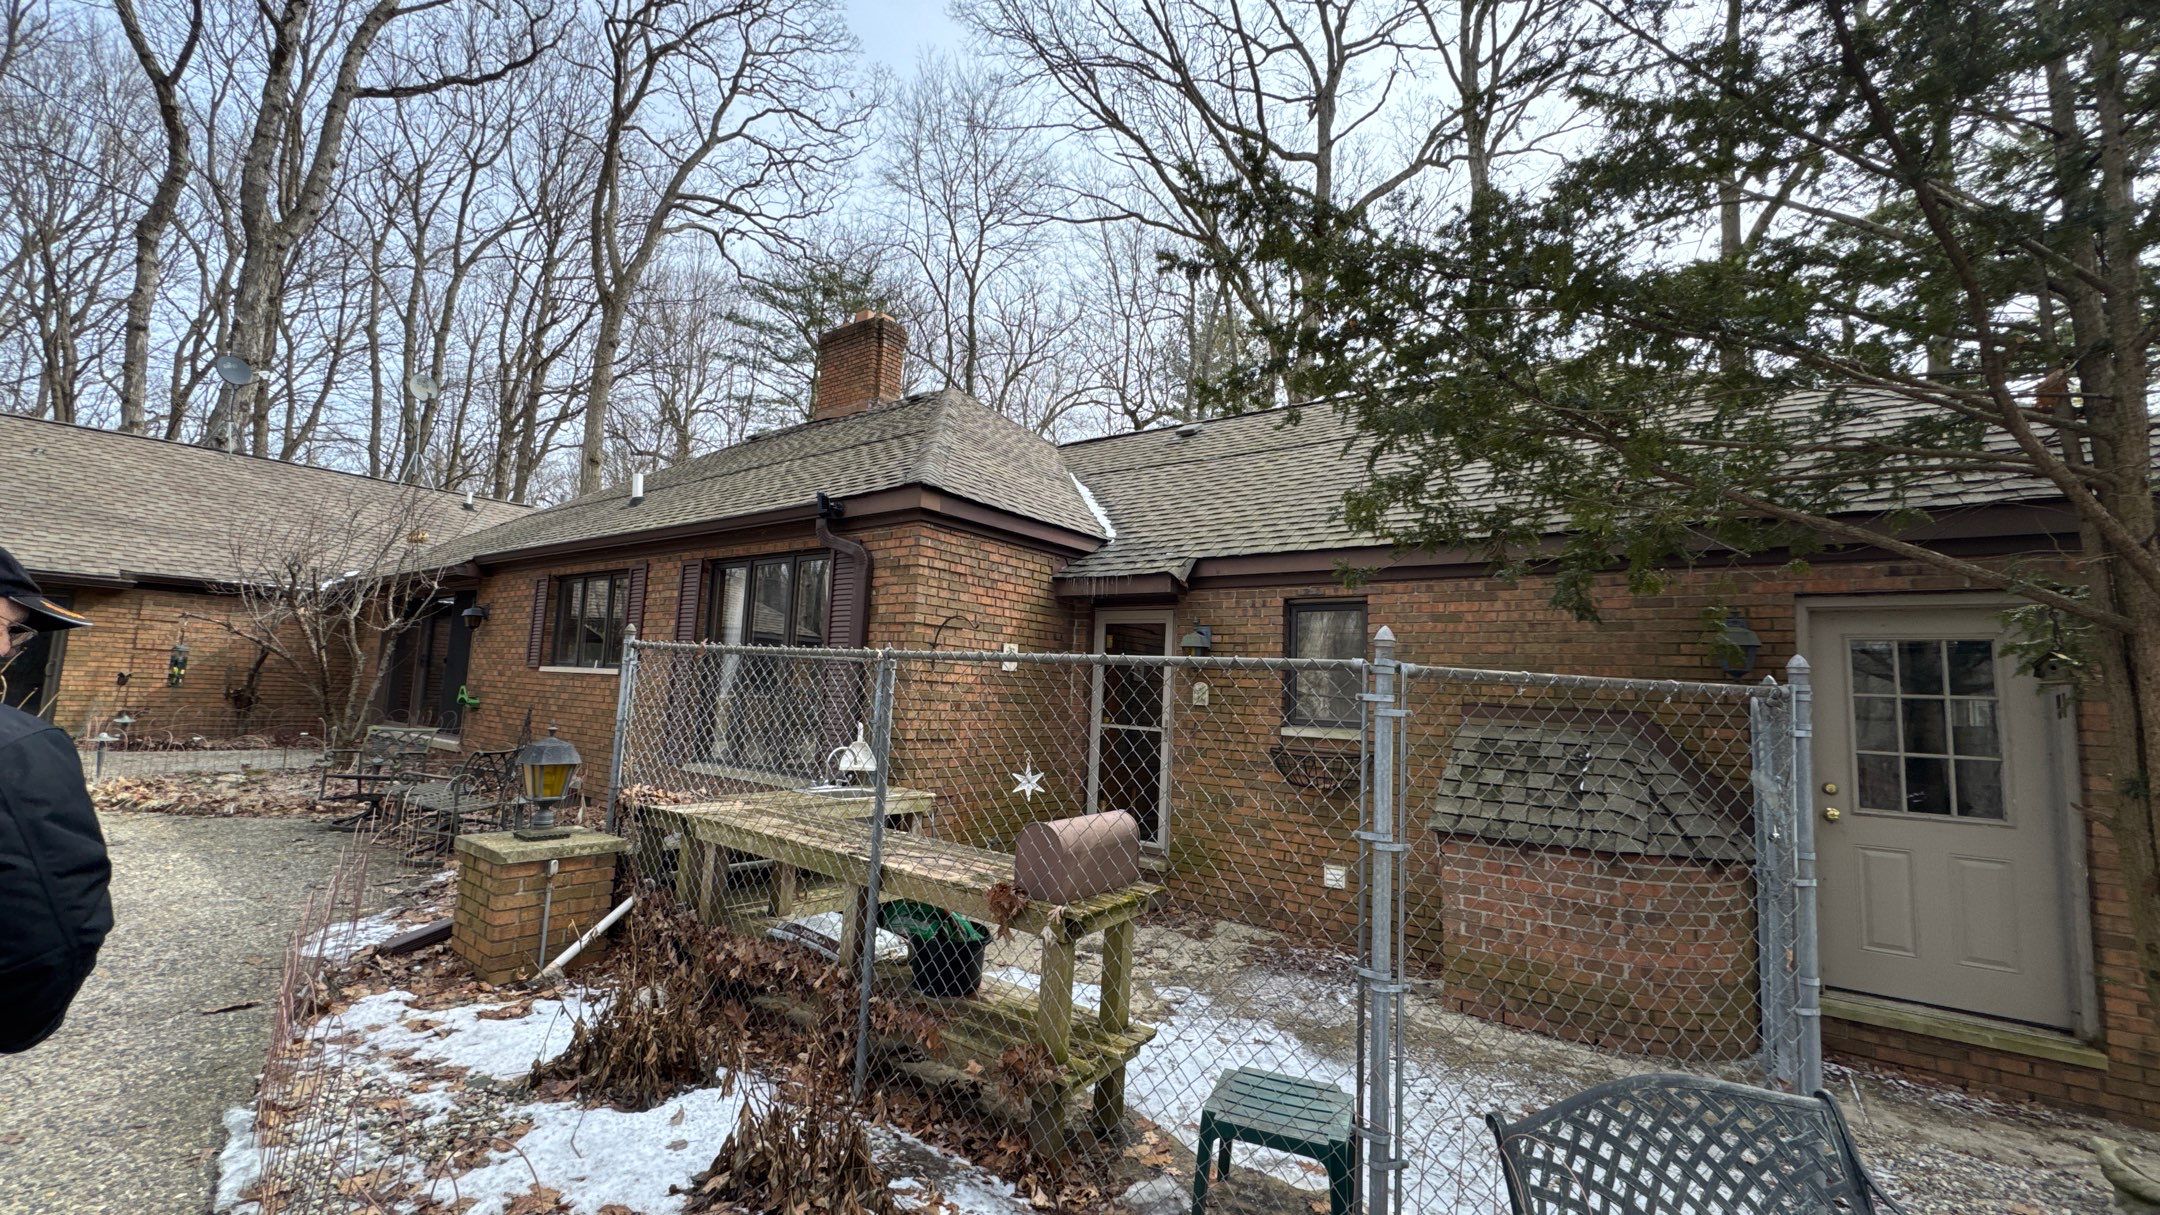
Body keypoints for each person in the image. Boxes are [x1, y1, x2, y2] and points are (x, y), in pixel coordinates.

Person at [0, 545, 111, 1052]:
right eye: (9, 626)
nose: (8, 648)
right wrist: (21, 1023)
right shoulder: (17, 750)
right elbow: (52, 926)